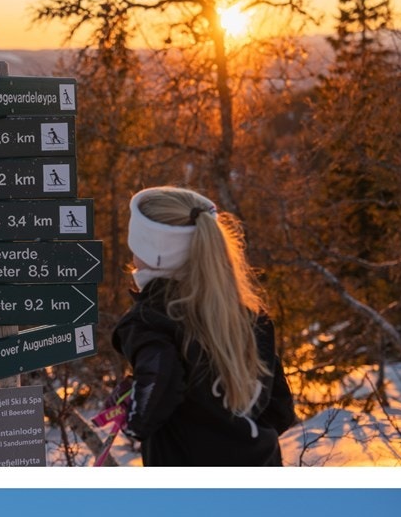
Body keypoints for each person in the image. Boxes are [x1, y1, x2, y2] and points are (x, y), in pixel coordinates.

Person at [110, 186, 297, 465]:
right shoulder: (249, 317)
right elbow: (279, 410)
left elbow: (155, 394)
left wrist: (131, 415)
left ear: (150, 252)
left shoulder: (150, 320)